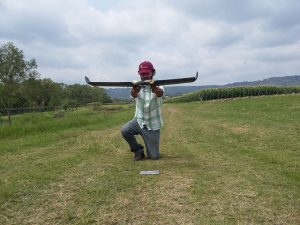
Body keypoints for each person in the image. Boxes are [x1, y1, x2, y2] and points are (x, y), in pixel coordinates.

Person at [121, 61, 164, 161]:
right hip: (139, 122)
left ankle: (151, 150)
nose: (144, 76)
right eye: (142, 74)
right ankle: (138, 151)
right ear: (139, 74)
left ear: (152, 73)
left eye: (147, 73)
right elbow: (133, 94)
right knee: (125, 130)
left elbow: (160, 93)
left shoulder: (159, 85)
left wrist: (155, 88)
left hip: (152, 125)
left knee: (154, 157)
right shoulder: (136, 85)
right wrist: (134, 90)